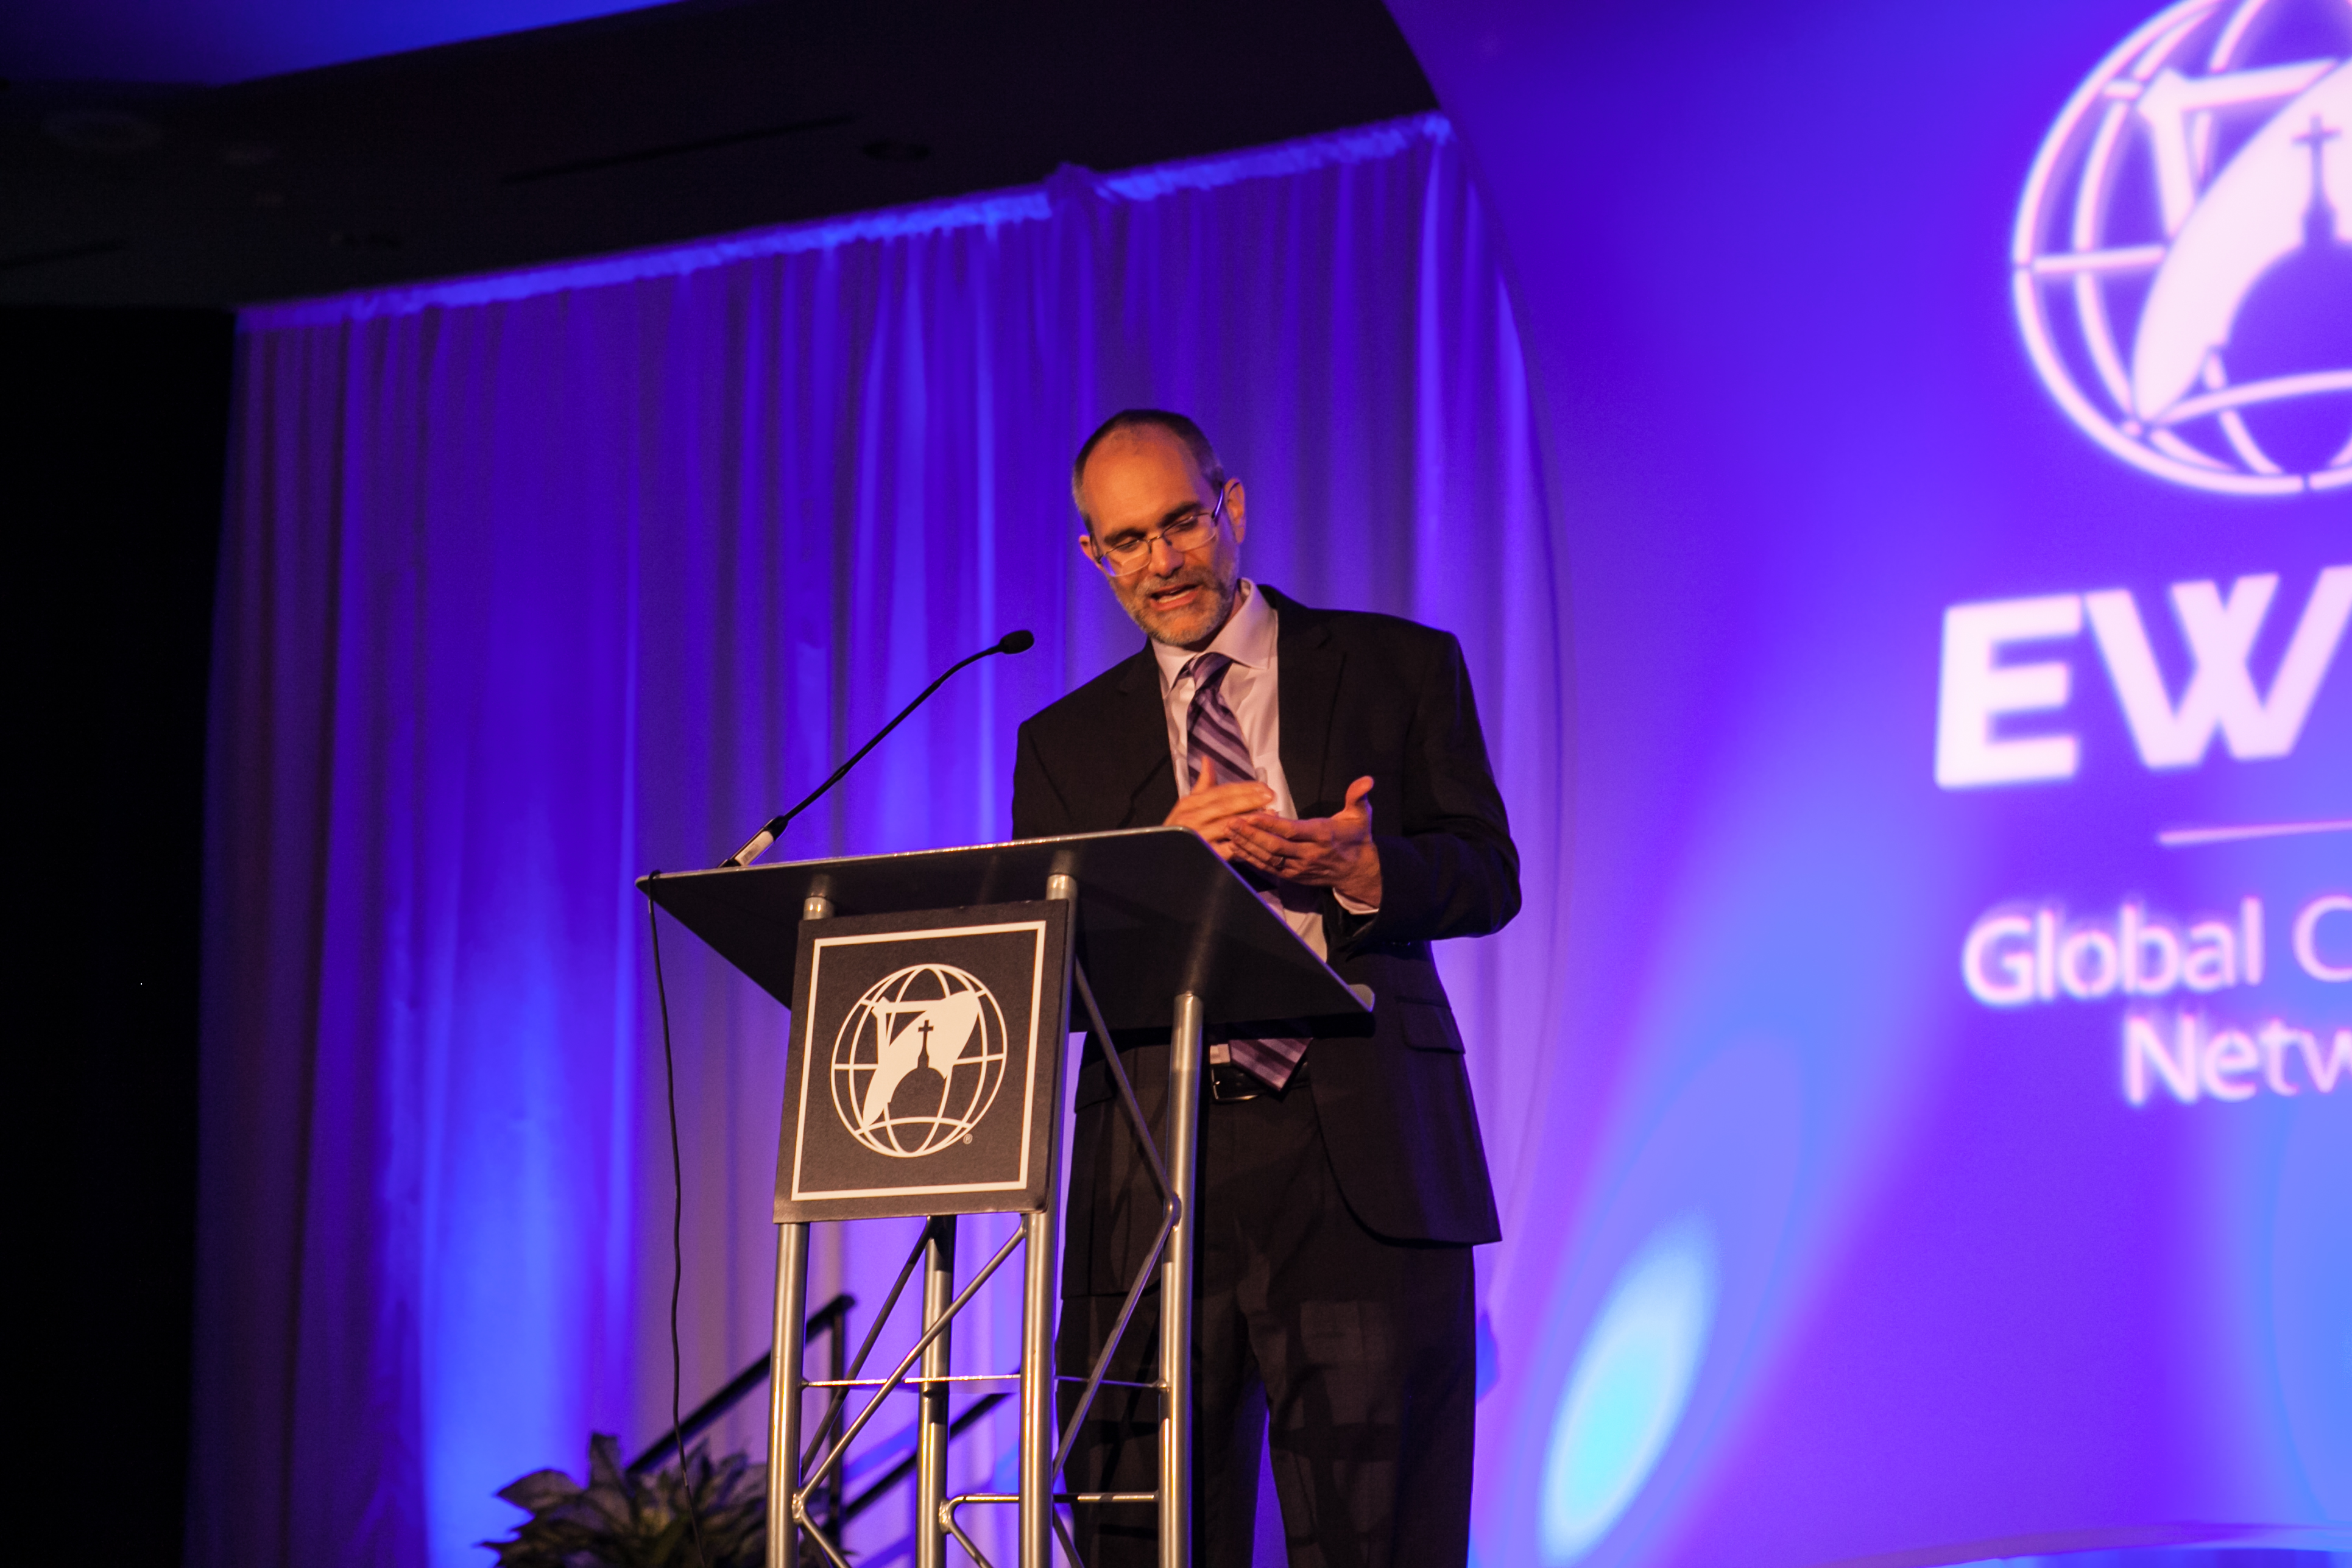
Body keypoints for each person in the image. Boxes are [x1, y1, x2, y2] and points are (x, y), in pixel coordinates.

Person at [1011, 409, 1519, 1567]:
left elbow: (1489, 874)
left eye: (1181, 523)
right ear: (1094, 556)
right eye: (1126, 541)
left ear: (1229, 508)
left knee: (1378, 1528)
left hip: (1357, 1158)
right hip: (1153, 1170)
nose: (1161, 561)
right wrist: (1159, 865)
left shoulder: (1396, 664)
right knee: (1145, 1525)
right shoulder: (1064, 744)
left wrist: (1363, 868)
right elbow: (1055, 959)